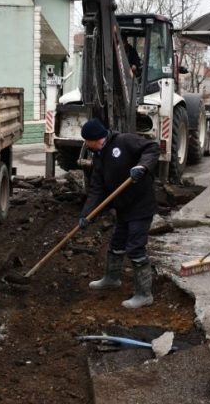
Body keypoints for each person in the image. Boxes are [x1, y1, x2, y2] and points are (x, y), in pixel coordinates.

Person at [78, 117, 160, 309]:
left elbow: (152, 148)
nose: (86, 145)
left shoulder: (124, 141)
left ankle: (144, 294)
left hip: (140, 205)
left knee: (135, 247)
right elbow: (97, 188)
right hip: (123, 207)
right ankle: (111, 279)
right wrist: (86, 215)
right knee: (116, 244)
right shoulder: (99, 156)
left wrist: (142, 166)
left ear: (96, 139)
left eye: (87, 141)